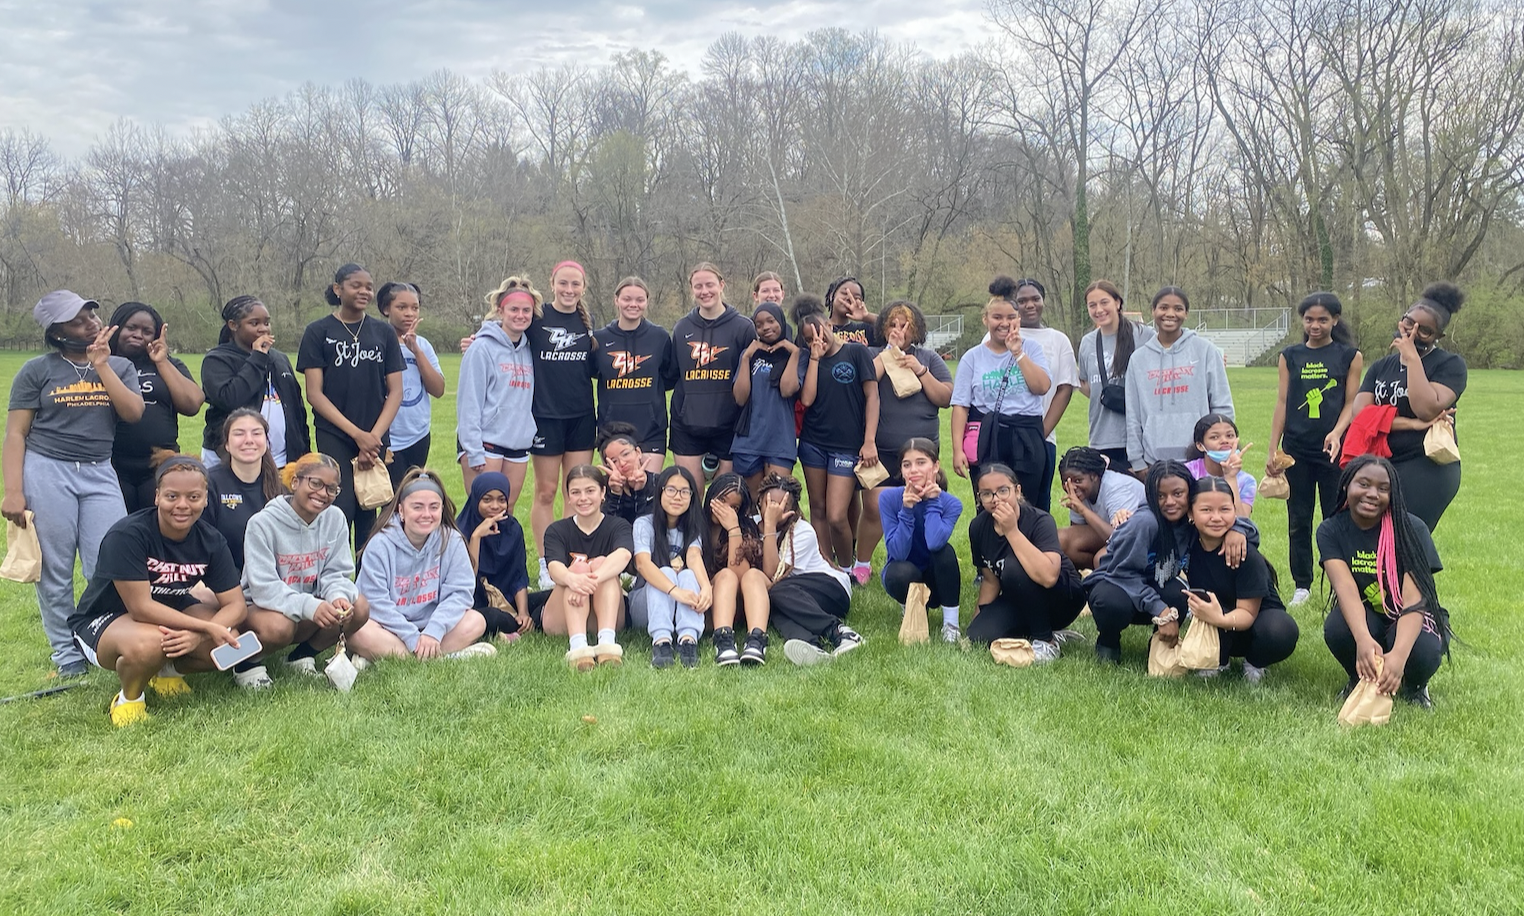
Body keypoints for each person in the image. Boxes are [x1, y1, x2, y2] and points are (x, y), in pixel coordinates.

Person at [4, 290, 144, 678]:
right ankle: (66, 656)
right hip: (47, 469)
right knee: (55, 567)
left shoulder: (118, 365)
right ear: (57, 330)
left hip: (100, 471)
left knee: (109, 560)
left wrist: (102, 365)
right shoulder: (37, 370)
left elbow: (132, 413)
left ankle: (99, 638)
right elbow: (16, 434)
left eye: (91, 315)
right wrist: (13, 490)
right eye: (78, 319)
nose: (91, 323)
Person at [66, 457, 245, 726]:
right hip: (107, 617)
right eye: (172, 496)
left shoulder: (210, 540)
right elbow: (141, 608)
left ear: (206, 499)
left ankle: (167, 672)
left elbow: (236, 605)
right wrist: (203, 627)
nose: (183, 505)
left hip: (170, 611)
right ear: (157, 496)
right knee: (150, 644)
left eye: (193, 496)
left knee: (232, 643)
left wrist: (199, 634)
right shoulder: (128, 534)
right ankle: (129, 700)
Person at [1085, 460, 1248, 665]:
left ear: (1190, 494)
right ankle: (1108, 641)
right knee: (1112, 604)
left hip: (1155, 582)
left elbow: (1234, 521)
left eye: (1177, 494)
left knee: (1179, 596)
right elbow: (1122, 573)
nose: (1170, 501)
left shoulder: (1190, 523)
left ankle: (1159, 644)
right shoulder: (1145, 523)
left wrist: (1238, 530)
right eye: (1160, 496)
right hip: (1117, 582)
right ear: (1151, 496)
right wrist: (1162, 612)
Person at [1319, 455, 1449, 708]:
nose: (1372, 494)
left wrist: (1399, 656)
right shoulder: (1330, 530)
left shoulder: (1412, 529)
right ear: (1347, 485)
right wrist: (1363, 639)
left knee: (1422, 649)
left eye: (1383, 488)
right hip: (1370, 614)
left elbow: (1414, 600)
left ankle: (1415, 687)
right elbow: (1345, 590)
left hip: (1410, 614)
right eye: (1363, 484)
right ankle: (1359, 676)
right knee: (1337, 627)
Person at [237, 453, 370, 687]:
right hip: (260, 610)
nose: (322, 494)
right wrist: (311, 606)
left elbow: (335, 572)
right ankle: (245, 663)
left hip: (309, 605)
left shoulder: (335, 518)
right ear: (295, 482)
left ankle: (301, 656)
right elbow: (263, 587)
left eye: (331, 489)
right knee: (280, 627)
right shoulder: (262, 523)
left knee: (357, 607)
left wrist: (337, 597)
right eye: (315, 483)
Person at [297, 263, 405, 548]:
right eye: (356, 285)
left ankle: (366, 583)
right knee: (339, 507)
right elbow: (314, 394)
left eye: (368, 287)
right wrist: (357, 435)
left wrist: (374, 438)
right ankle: (332, 577)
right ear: (338, 289)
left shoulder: (383, 333)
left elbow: (395, 391)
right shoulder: (318, 332)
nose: (364, 292)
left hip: (375, 435)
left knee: (371, 511)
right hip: (335, 435)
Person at [1266, 291, 1363, 605]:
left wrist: (1336, 432)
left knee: (1335, 517)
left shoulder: (1350, 356)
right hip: (1296, 450)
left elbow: (1351, 403)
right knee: (1298, 518)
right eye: (1309, 319)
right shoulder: (1290, 356)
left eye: (1323, 319)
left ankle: (1339, 580)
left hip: (1334, 451)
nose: (1315, 325)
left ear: (1335, 319)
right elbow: (1281, 403)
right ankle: (1302, 584)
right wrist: (1273, 450)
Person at [1349, 282, 1467, 531]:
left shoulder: (1450, 365)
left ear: (1438, 337)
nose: (1412, 333)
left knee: (1407, 537)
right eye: (1408, 323)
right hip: (1381, 462)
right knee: (1372, 539)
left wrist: (1412, 357)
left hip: (1426, 464)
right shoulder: (1382, 366)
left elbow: (1426, 408)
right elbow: (1360, 416)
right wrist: (1413, 424)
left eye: (1424, 331)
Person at [349, 469, 495, 662]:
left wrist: (434, 630)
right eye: (417, 507)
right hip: (389, 628)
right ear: (401, 510)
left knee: (475, 620)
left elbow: (459, 593)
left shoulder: (452, 540)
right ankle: (441, 657)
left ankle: (394, 657)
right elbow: (375, 602)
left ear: (442, 509)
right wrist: (412, 637)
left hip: (434, 626)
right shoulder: (380, 545)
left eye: (434, 507)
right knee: (358, 632)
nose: (426, 514)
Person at [856, 301, 953, 581]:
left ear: (916, 330)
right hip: (881, 449)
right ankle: (862, 564)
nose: (899, 330)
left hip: (920, 450)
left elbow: (945, 398)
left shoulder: (929, 358)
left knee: (920, 504)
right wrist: (889, 354)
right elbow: (864, 382)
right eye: (893, 324)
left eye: (905, 325)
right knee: (875, 506)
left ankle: (915, 560)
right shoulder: (873, 354)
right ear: (883, 328)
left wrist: (920, 370)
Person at [526, 261, 600, 584]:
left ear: (583, 288)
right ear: (552, 283)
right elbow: (507, 335)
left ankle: (572, 560)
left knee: (576, 493)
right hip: (545, 417)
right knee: (547, 491)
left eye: (575, 285)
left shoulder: (588, 322)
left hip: (582, 418)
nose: (569, 291)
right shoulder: (537, 317)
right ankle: (547, 563)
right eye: (563, 284)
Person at [1184, 477, 1299, 684]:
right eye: (1206, 510)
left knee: (1281, 630)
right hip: (1216, 616)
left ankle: (1255, 662)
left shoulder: (1244, 553)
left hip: (1252, 623)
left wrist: (1218, 619)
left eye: (1225, 510)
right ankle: (1219, 659)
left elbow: (1247, 613)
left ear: (1234, 513)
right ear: (1190, 513)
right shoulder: (1187, 542)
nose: (1216, 517)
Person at [966, 464, 1085, 661]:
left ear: (1017, 491)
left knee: (1014, 566)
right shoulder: (978, 527)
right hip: (1020, 596)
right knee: (979, 636)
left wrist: (1011, 530)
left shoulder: (1040, 521)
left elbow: (1048, 577)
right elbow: (990, 580)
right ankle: (1048, 633)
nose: (996, 499)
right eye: (987, 494)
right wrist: (978, 620)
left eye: (1003, 491)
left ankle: (1046, 641)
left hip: (1063, 596)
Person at [797, 312, 880, 576]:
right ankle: (825, 566)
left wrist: (869, 441)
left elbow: (872, 397)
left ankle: (846, 567)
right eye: (810, 338)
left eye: (820, 332)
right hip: (813, 444)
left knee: (836, 514)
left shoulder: (856, 353)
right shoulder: (809, 358)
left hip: (846, 446)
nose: (817, 340)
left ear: (830, 325)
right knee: (818, 509)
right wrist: (814, 357)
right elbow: (807, 400)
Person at [950, 285, 1052, 496]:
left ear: (1018, 319)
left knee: (1026, 504)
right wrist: (957, 450)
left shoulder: (1031, 348)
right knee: (990, 503)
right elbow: (960, 406)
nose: (1004, 323)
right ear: (986, 319)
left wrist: (1018, 353)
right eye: (997, 317)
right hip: (988, 437)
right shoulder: (972, 357)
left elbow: (1041, 387)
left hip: (1027, 437)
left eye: (1011, 317)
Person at [757, 473, 865, 666]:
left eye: (782, 505)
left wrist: (770, 526)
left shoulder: (802, 531)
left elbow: (772, 575)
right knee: (772, 605)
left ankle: (840, 632)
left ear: (792, 510)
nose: (774, 509)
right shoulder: (753, 525)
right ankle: (810, 645)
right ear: (759, 501)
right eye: (769, 503)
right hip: (797, 596)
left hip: (830, 588)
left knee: (775, 591)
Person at [1124, 286, 1233, 473]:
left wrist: (1221, 452)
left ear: (1186, 313)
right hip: (1154, 460)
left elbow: (1222, 405)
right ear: (1153, 311)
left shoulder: (1205, 350)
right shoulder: (1138, 359)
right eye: (1164, 307)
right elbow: (1133, 414)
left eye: (1178, 309)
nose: (1170, 314)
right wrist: (1137, 461)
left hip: (1200, 458)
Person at [107, 302, 204, 511]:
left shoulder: (169, 364)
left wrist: (161, 362)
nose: (138, 334)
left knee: (158, 530)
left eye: (146, 331)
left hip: (158, 465)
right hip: (113, 466)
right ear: (116, 328)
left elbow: (193, 404)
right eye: (131, 328)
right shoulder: (103, 364)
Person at [539, 465, 634, 671]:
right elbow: (554, 568)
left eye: (590, 491)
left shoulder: (618, 526)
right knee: (577, 568)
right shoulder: (557, 530)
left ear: (602, 493)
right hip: (561, 620)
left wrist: (591, 579)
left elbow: (624, 555)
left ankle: (607, 642)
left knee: (602, 564)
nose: (583, 498)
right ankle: (578, 645)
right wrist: (575, 579)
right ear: (569, 498)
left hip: (604, 614)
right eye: (575, 492)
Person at [199, 294, 309, 471]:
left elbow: (298, 410)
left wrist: (304, 451)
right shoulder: (217, 359)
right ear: (233, 326)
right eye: (254, 323)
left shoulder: (279, 358)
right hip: (231, 458)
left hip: (282, 461)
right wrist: (257, 358)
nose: (263, 329)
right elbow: (231, 399)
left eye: (266, 323)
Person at [670, 263, 756, 482]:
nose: (704, 291)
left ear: (721, 285)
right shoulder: (682, 328)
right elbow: (673, 373)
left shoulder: (743, 327)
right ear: (691, 290)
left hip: (729, 424)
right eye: (698, 286)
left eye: (710, 284)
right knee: (689, 497)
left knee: (723, 498)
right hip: (687, 424)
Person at [457, 276, 537, 505]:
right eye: (514, 309)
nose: (520, 315)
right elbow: (469, 402)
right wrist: (473, 449)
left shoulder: (530, 349)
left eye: (526, 310)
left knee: (506, 510)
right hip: (485, 444)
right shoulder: (481, 348)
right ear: (500, 311)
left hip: (517, 444)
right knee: (482, 510)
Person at [1003, 277, 1078, 512]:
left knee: (1037, 504)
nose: (1029, 305)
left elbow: (1064, 388)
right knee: (1003, 500)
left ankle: (1038, 549)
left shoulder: (1058, 340)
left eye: (1035, 299)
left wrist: (1041, 432)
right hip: (1004, 435)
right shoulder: (996, 336)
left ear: (1043, 301)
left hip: (1042, 437)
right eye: (1022, 300)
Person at [879, 439, 964, 642]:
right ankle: (912, 608)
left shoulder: (952, 504)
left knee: (945, 552)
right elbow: (897, 553)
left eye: (921, 462)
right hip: (903, 573)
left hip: (937, 579)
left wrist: (934, 501)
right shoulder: (889, 498)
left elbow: (934, 542)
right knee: (900, 571)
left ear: (935, 466)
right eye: (907, 465)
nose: (913, 470)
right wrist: (906, 510)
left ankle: (951, 625)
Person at [591, 276, 678, 473]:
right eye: (627, 299)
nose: (633, 304)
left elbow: (669, 376)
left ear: (647, 301)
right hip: (612, 429)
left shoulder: (660, 337)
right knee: (618, 491)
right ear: (616, 300)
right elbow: (593, 372)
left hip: (651, 429)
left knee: (647, 489)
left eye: (640, 300)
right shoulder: (600, 339)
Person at [633, 467, 714, 669]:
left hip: (680, 605)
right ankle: (662, 642)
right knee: (666, 571)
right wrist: (675, 591)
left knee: (688, 573)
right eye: (671, 490)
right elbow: (642, 564)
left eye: (685, 491)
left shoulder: (693, 526)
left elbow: (694, 556)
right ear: (660, 492)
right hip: (645, 604)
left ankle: (688, 640)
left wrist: (706, 587)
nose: (678, 497)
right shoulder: (644, 524)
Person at [1076, 280, 1154, 470]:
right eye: (1092, 305)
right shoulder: (1088, 342)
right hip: (1102, 436)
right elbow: (1087, 385)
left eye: (1104, 302)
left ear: (1117, 303)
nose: (1099, 310)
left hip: (1139, 435)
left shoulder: (1144, 335)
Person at [731, 301, 803, 500]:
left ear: (780, 320)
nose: (766, 327)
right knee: (751, 502)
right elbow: (740, 397)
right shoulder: (749, 355)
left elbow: (788, 389)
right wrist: (746, 358)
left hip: (779, 440)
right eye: (759, 324)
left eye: (771, 321)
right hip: (749, 439)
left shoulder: (796, 355)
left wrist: (794, 353)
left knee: (777, 501)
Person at [377, 282, 445, 487]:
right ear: (386, 309)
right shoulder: (377, 342)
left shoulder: (422, 344)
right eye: (402, 307)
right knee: (391, 499)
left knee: (412, 493)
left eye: (414, 308)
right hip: (387, 437)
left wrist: (415, 350)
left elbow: (438, 389)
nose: (409, 313)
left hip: (418, 434)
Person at [703, 473, 771, 665]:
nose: (725, 511)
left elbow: (741, 577)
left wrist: (733, 529)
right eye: (721, 501)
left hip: (742, 601)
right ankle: (723, 640)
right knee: (724, 576)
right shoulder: (697, 525)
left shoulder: (744, 527)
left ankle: (756, 640)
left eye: (733, 507)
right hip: (706, 602)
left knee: (741, 575)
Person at [206, 409, 285, 574]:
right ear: (226, 444)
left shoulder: (281, 487)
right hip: (222, 583)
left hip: (271, 583)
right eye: (239, 434)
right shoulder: (209, 484)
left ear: (267, 442)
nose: (249, 440)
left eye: (256, 433)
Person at [457, 471, 533, 641]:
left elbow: (518, 574)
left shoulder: (512, 529)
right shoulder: (459, 531)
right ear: (476, 499)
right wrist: (476, 537)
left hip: (504, 597)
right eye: (487, 499)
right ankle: (505, 625)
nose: (495, 506)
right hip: (472, 602)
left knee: (547, 599)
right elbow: (467, 578)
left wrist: (523, 612)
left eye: (501, 499)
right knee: (491, 616)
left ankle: (516, 622)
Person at [1056, 446, 1147, 570]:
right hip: (1109, 534)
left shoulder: (1116, 488)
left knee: (1101, 558)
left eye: (1078, 480)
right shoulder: (1078, 492)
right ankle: (1090, 579)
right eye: (1066, 482)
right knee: (1061, 540)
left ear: (1094, 476)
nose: (1072, 487)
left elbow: (1119, 539)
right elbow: (1076, 533)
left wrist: (1083, 510)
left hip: (1138, 537)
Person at [1185, 413, 1256, 517]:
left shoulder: (1247, 481)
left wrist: (1231, 477)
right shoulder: (1187, 473)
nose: (1224, 441)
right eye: (1214, 437)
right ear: (1200, 445)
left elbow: (1242, 523)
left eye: (1230, 436)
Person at [598, 422, 660, 526]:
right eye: (614, 461)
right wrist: (615, 494)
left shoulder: (658, 482)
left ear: (638, 452)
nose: (622, 463)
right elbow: (605, 531)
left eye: (626, 454)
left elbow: (649, 529)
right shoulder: (602, 488)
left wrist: (639, 492)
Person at [825, 276, 880, 346]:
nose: (849, 298)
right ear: (831, 295)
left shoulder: (865, 330)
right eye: (844, 293)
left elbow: (892, 327)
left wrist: (866, 316)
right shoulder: (820, 328)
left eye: (856, 297)